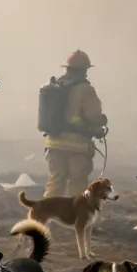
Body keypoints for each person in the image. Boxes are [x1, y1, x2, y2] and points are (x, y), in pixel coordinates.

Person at [42, 50, 108, 198]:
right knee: (77, 184)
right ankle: (73, 217)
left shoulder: (54, 87)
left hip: (53, 144)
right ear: (85, 69)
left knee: (55, 182)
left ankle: (48, 217)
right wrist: (100, 127)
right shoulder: (86, 90)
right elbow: (94, 117)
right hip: (77, 147)